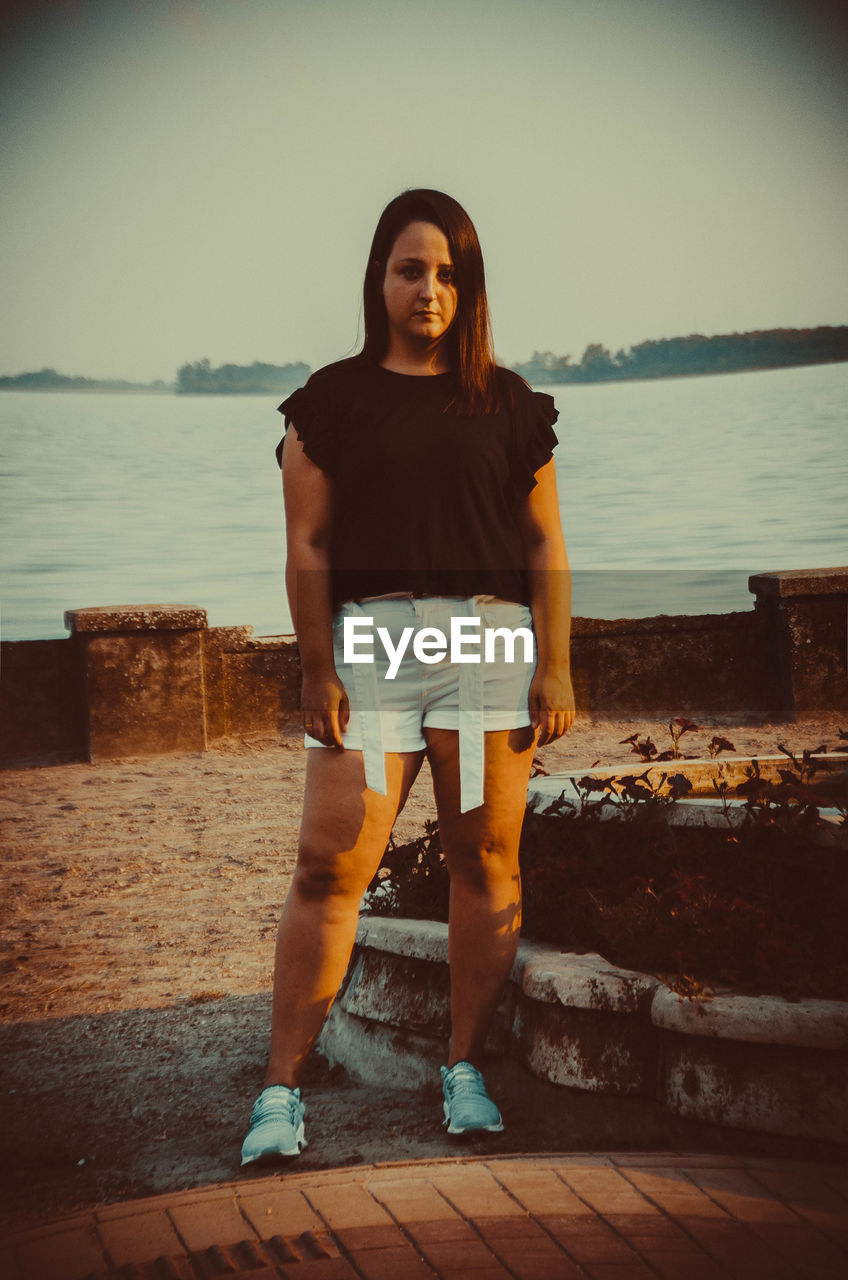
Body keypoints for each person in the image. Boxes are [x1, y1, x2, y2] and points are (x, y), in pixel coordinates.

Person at [241, 188, 574, 1163]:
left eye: (446, 272)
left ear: (467, 287)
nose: (428, 288)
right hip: (375, 649)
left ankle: (461, 1068)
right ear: (378, 278)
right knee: (328, 867)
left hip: (486, 648)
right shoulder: (330, 402)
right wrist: (314, 667)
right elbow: (306, 542)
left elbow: (543, 539)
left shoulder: (509, 405)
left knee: (485, 861)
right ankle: (278, 1090)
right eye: (409, 268)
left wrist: (554, 664)